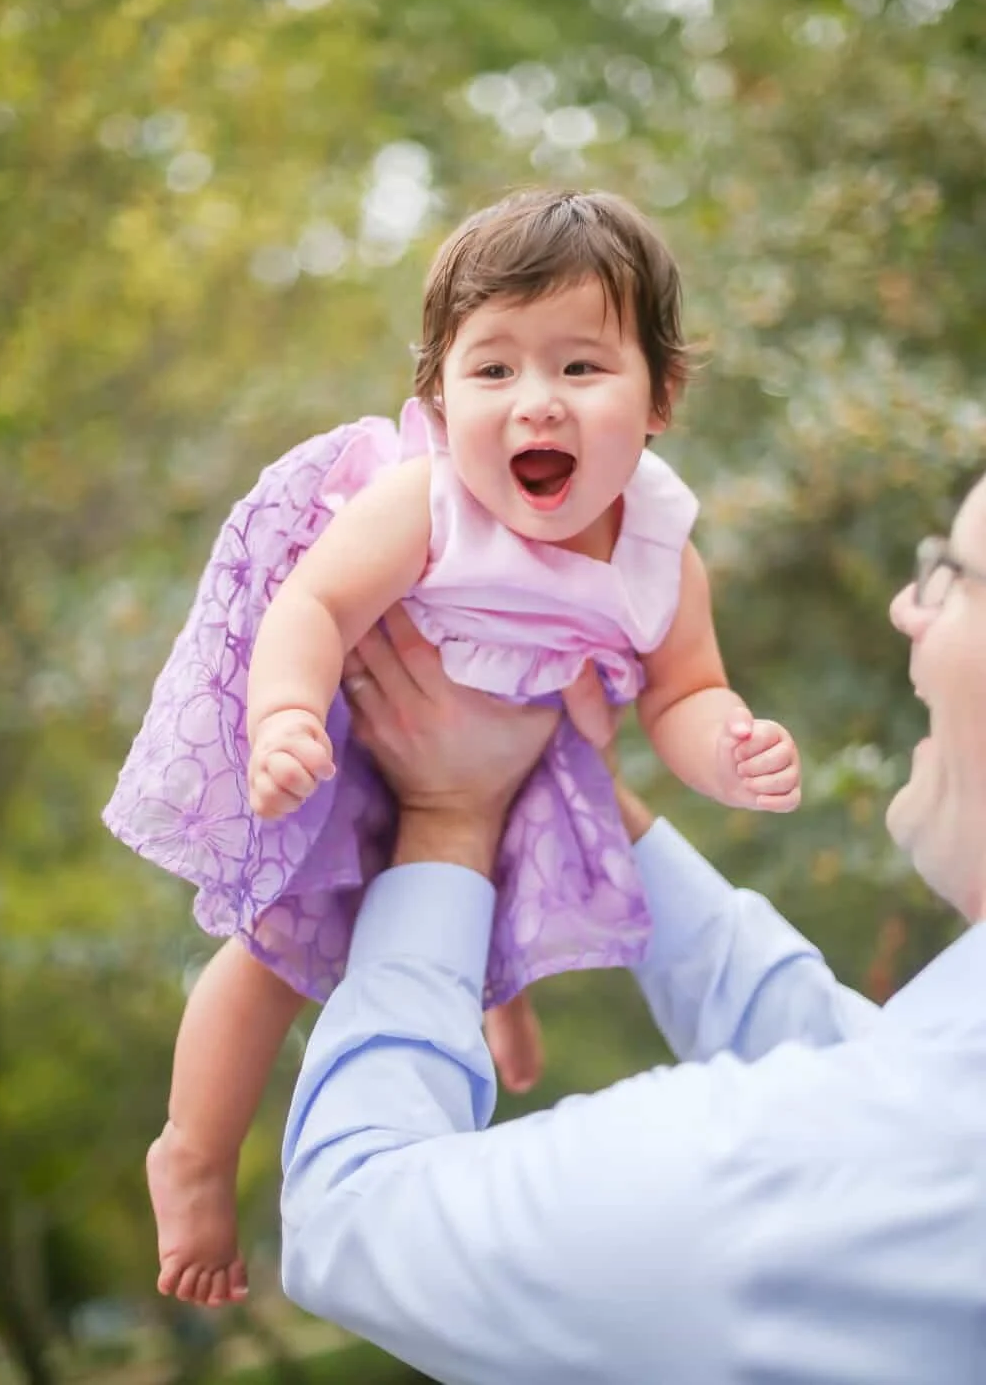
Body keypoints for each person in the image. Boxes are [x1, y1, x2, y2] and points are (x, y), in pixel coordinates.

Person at [104, 189, 800, 1305]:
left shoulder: (663, 554)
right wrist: (285, 716)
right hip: (355, 759)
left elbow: (685, 691)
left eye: (581, 368)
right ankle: (192, 1148)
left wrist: (730, 750)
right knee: (273, 952)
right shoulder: (424, 504)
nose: (536, 403)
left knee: (524, 846)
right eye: (493, 371)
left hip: (526, 774)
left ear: (660, 395)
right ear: (436, 393)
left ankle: (492, 1004)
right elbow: (315, 608)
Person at [280, 475, 986, 1385]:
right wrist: (587, 804)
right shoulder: (921, 1124)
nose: (905, 608)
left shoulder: (769, 1188)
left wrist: (449, 817)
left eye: (953, 576)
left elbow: (351, 1214)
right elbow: (855, 1064)